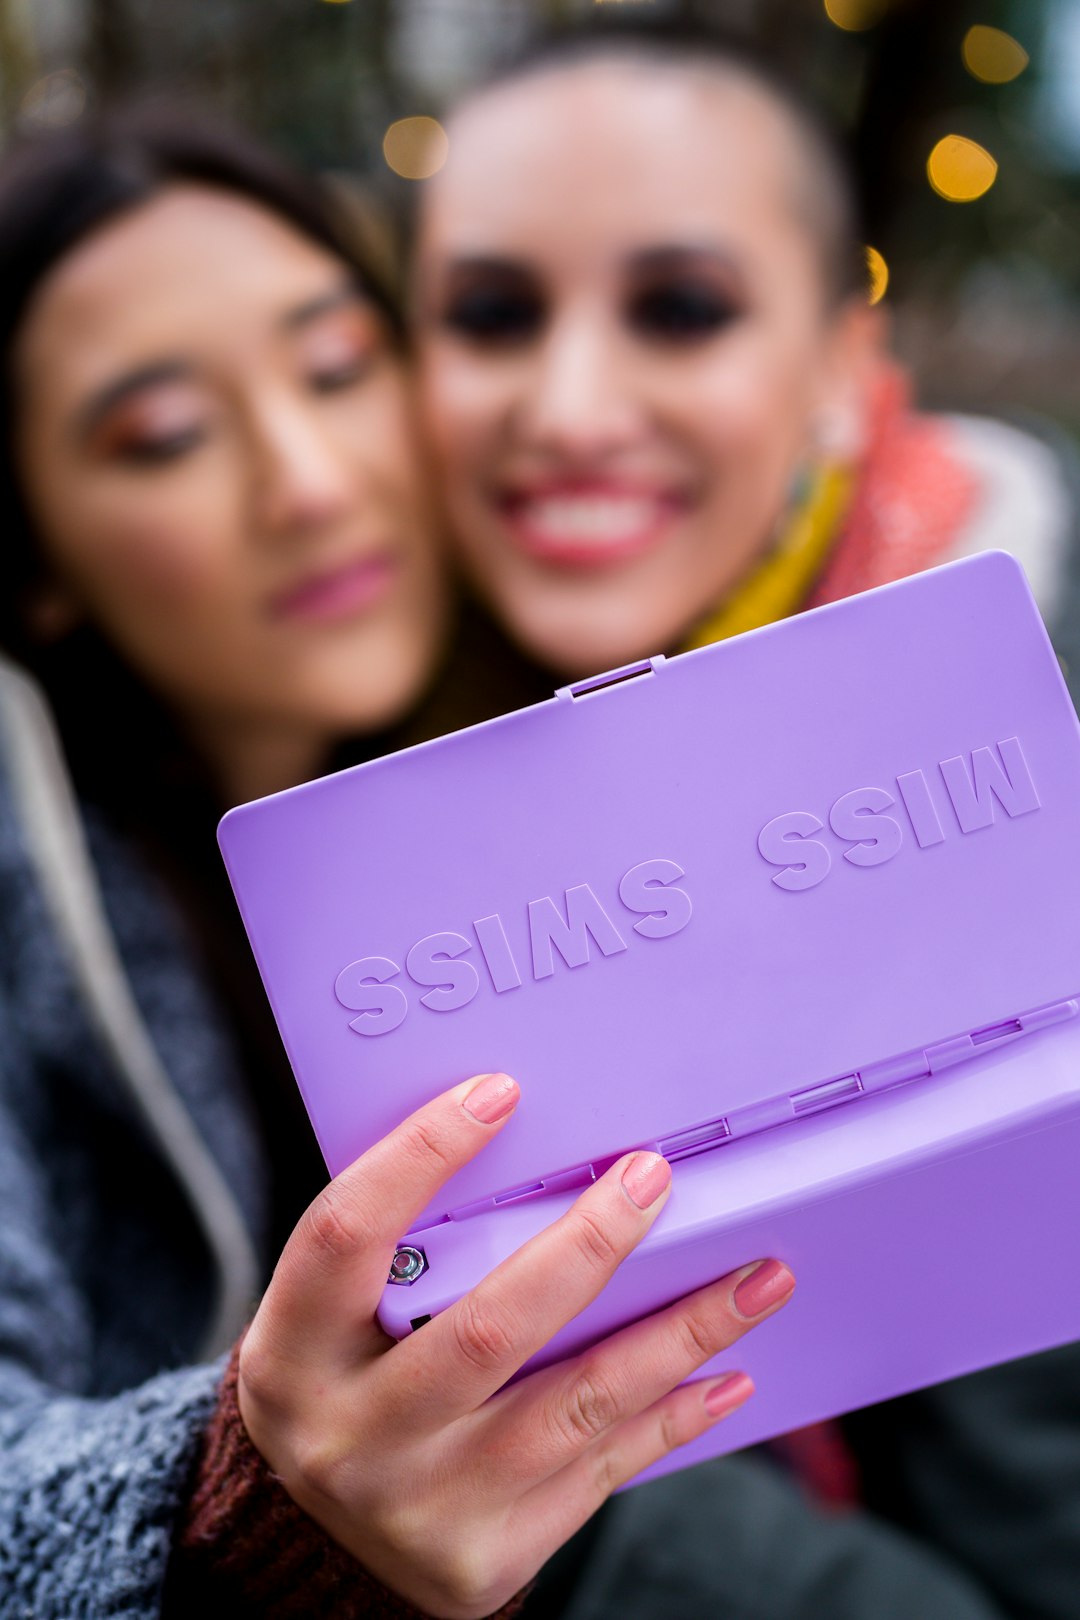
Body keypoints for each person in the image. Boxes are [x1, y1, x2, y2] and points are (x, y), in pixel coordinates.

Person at [0, 101, 796, 1620]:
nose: (307, 479)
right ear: (35, 555)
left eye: (337, 365)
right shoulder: (30, 873)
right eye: (163, 435)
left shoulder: (602, 697)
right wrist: (254, 1495)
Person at [410, 18, 1080, 1620]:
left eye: (682, 309)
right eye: (494, 315)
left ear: (846, 368)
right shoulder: (386, 760)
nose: (570, 404)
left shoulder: (1038, 712)